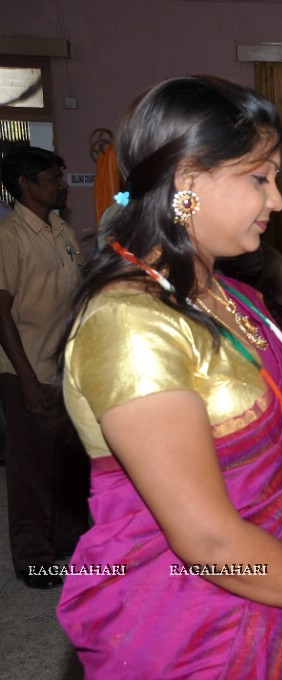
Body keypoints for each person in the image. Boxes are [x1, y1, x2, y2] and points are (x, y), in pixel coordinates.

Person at [56, 75, 282, 679]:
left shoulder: (235, 297)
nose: (277, 200)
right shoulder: (129, 321)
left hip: (269, 589)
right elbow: (209, 541)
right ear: (188, 182)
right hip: (186, 623)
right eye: (259, 177)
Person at [0, 146, 89, 590]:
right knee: (30, 468)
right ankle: (33, 557)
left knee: (69, 463)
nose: (61, 185)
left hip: (64, 368)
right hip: (26, 370)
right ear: (26, 184)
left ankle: (66, 545)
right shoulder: (10, 236)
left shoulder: (62, 231)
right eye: (53, 178)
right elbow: (0, 312)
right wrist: (29, 382)